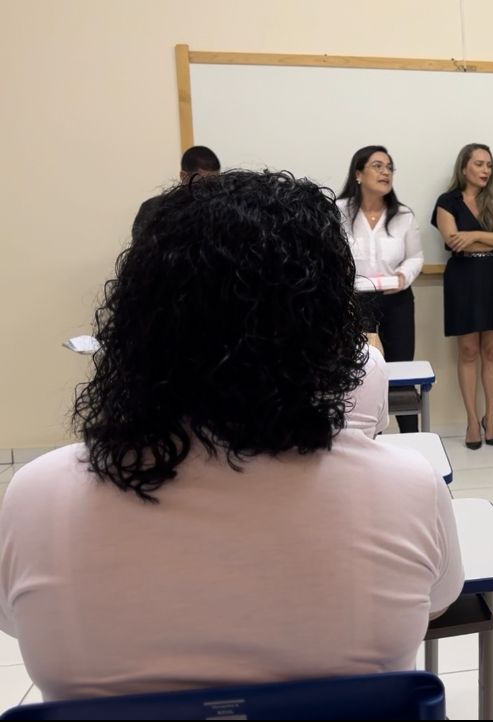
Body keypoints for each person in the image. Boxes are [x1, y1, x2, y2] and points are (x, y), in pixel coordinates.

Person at [0, 170, 464, 702]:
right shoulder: (406, 488)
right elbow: (437, 603)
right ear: (327, 326)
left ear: (136, 319)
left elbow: (15, 622)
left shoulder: (38, 498)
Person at [433, 144, 493, 449]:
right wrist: (487, 240)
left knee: (492, 351)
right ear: (464, 168)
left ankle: (491, 419)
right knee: (468, 350)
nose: (485, 170)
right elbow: (454, 243)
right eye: (479, 164)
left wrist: (473, 235)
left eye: (489, 165)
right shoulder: (447, 202)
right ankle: (472, 420)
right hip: (462, 278)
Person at [336, 145, 423, 433]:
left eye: (389, 167)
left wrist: (403, 275)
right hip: (354, 302)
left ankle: (412, 438)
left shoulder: (403, 215)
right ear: (358, 173)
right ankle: (369, 440)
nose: (385, 172)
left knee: (400, 369)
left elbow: (416, 257)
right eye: (377, 166)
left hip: (396, 300)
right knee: (363, 373)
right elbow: (331, 255)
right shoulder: (339, 212)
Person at [131, 145, 220, 243]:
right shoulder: (154, 208)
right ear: (184, 176)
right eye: (202, 181)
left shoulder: (220, 209)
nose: (210, 188)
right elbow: (141, 252)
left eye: (215, 182)